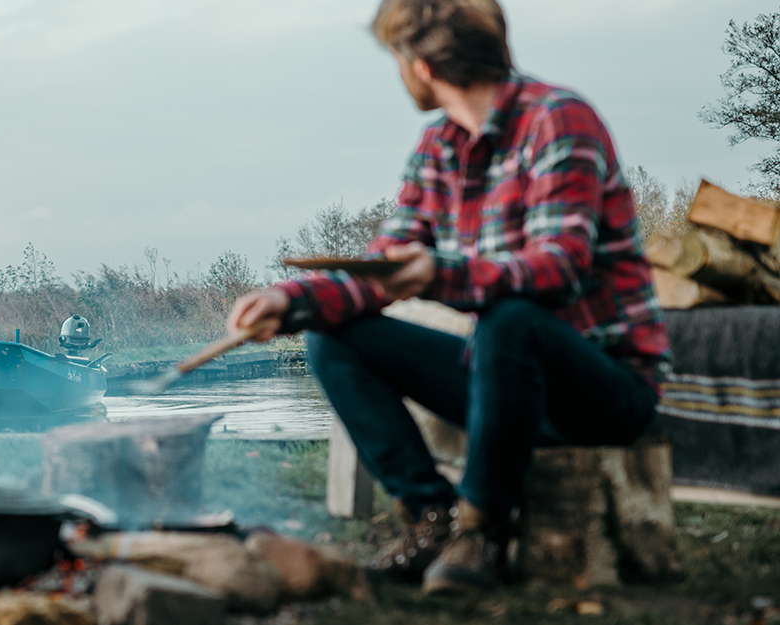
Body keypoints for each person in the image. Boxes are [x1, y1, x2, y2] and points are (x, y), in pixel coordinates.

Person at [226, 0, 669, 595]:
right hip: (505, 386)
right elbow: (385, 267)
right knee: (335, 339)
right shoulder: (438, 145)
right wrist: (290, 302)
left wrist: (440, 274)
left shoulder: (559, 119)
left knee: (510, 319)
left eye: (399, 59)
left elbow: (557, 268)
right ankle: (435, 520)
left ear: (423, 65)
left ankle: (484, 530)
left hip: (604, 387)